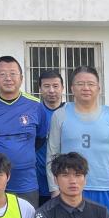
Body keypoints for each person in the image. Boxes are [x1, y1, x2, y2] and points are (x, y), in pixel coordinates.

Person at [46, 67, 109, 218]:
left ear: (99, 88)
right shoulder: (60, 115)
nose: (86, 88)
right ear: (72, 88)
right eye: (80, 84)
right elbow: (52, 155)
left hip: (105, 189)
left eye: (90, 84)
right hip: (70, 189)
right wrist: (54, 189)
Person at [0, 56, 48, 207]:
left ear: (21, 78)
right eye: (2, 74)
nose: (8, 78)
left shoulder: (36, 105)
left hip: (26, 181)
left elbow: (40, 138)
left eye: (13, 74)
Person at [34, 70, 66, 200]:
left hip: (65, 179)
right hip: (38, 180)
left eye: (55, 86)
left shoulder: (71, 112)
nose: (51, 90)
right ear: (40, 89)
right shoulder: (33, 112)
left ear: (62, 88)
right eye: (46, 86)